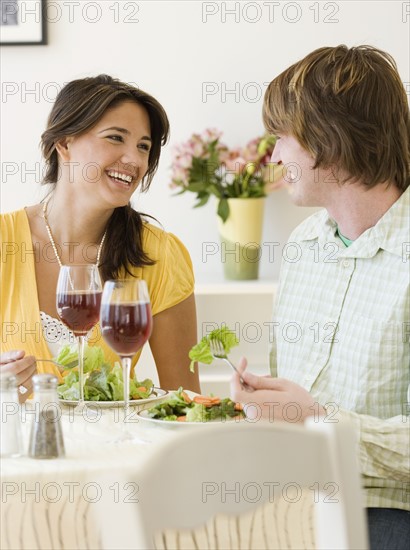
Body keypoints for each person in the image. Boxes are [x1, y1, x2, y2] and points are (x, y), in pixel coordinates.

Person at [230, 45, 410, 550]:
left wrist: (318, 421)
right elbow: (297, 398)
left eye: (283, 138)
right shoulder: (306, 244)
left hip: (388, 511)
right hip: (295, 497)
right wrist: (269, 404)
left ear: (331, 138)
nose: (275, 156)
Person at [1, 75, 200, 394]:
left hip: (118, 443)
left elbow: (187, 399)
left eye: (143, 146)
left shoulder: (159, 255)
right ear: (64, 143)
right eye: (115, 138)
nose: (134, 160)